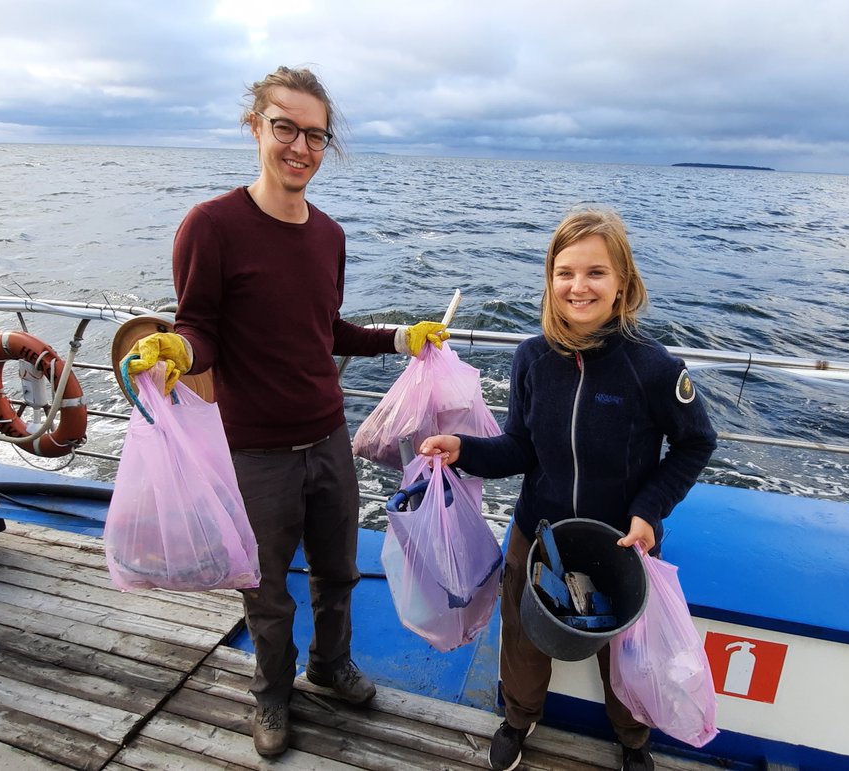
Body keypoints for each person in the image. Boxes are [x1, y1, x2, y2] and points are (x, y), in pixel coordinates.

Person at [125, 65, 448, 758]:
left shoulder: (329, 235)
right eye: (285, 128)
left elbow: (326, 330)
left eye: (315, 135)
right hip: (255, 453)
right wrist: (176, 349)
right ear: (256, 127)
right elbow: (201, 327)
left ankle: (330, 667)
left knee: (338, 573)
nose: (300, 146)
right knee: (267, 590)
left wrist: (401, 337)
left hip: (328, 438)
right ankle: (272, 694)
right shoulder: (210, 225)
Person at [419, 207, 717, 771]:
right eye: (565, 272)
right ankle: (517, 719)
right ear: (550, 279)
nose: (579, 287)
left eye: (596, 273)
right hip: (539, 536)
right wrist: (465, 448)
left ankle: (633, 741)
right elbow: (519, 448)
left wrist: (649, 512)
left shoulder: (653, 368)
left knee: (627, 658)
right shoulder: (531, 358)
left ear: (622, 282)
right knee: (524, 644)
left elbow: (696, 443)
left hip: (623, 543)